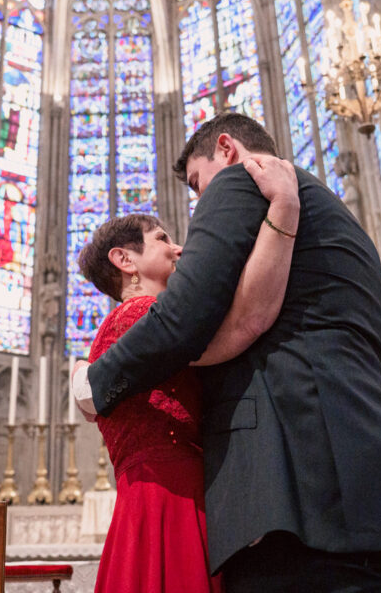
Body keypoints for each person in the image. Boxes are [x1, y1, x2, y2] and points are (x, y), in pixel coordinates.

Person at [74, 112, 381, 592]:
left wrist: (92, 382)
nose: (201, 201)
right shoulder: (343, 223)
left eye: (198, 184)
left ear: (227, 149)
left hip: (301, 486)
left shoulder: (240, 184)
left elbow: (188, 319)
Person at [79, 153, 299, 593]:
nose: (179, 248)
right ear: (125, 259)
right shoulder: (143, 316)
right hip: (171, 497)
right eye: (162, 239)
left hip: (154, 498)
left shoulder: (123, 328)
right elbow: (239, 320)